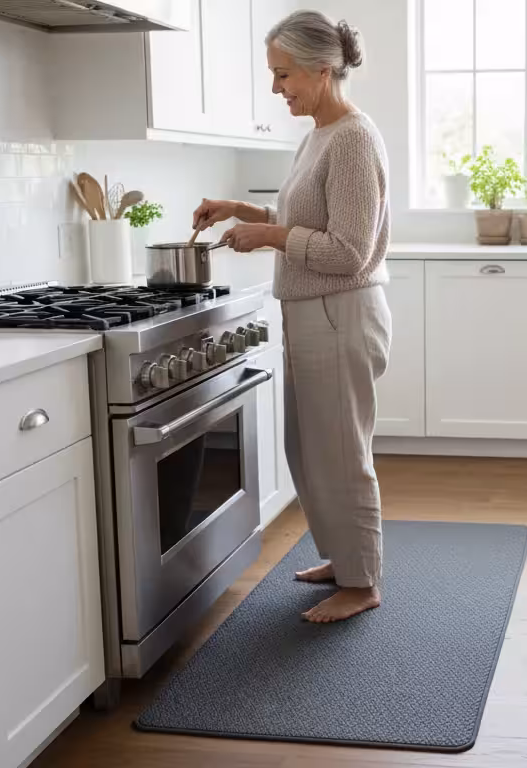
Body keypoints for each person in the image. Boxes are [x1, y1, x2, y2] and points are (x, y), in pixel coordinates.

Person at [191, 10, 391, 624]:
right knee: (308, 448)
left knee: (339, 451)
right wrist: (240, 210)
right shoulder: (318, 135)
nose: (277, 89)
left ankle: (363, 583)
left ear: (322, 69)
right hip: (311, 312)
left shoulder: (354, 137)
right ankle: (342, 557)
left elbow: (349, 251)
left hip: (340, 312)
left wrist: (274, 236)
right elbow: (311, 217)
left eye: (283, 75)